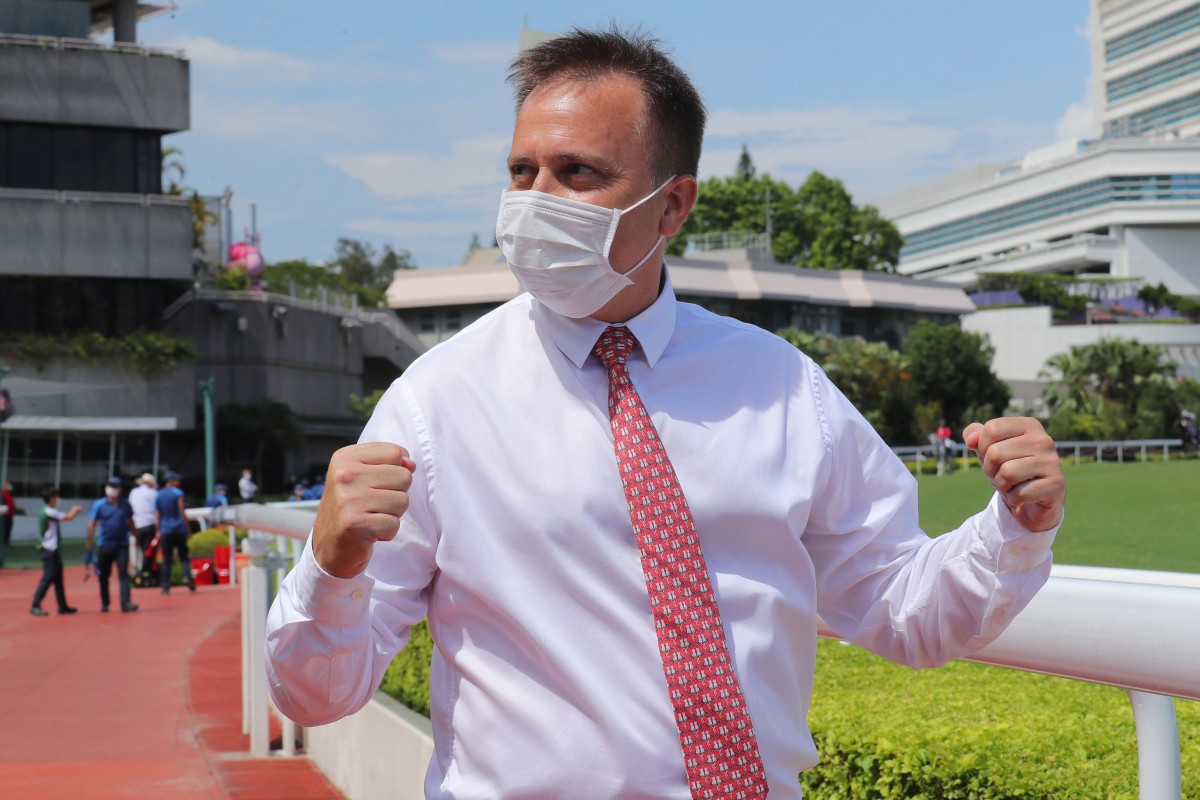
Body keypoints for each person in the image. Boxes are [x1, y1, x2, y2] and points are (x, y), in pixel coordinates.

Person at [264, 27, 1066, 798]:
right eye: (520, 171)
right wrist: (330, 566)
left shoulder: (781, 386)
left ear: (672, 204)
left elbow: (903, 610)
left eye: (577, 173)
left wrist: (1015, 527)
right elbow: (317, 695)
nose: (535, 201)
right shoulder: (436, 403)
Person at [86, 476, 139, 613]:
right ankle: (105, 602)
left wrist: (136, 536)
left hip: (121, 544)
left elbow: (130, 522)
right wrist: (89, 543)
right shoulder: (99, 504)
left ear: (120, 489)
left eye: (115, 487)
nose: (112, 489)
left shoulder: (125, 505)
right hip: (105, 545)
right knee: (104, 575)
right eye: (110, 486)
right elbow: (92, 523)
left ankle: (125, 602)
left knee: (123, 575)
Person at [29, 487, 83, 616]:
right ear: (51, 499)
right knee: (47, 578)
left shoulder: (48, 511)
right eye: (55, 497)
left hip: (52, 550)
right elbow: (68, 517)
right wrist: (74, 510)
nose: (57, 499)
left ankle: (62, 606)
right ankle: (35, 605)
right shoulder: (49, 512)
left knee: (58, 579)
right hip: (49, 550)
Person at [155, 471, 194, 595]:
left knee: (166, 559)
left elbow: (157, 515)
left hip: (166, 530)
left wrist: (158, 530)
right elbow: (181, 510)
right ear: (172, 480)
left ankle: (165, 587)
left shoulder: (158, 495)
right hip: (178, 529)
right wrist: (188, 529)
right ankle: (187, 576)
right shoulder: (177, 493)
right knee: (183, 556)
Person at [129, 473, 158, 582]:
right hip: (149, 525)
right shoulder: (154, 493)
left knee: (142, 551)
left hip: (137, 526)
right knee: (148, 551)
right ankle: (144, 574)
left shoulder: (133, 492)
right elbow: (156, 511)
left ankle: (141, 573)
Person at [0, 479, 15, 568]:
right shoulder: (3, 492)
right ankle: (4, 544)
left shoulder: (8, 493)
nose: (10, 485)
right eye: (8, 484)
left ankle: (6, 543)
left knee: (8, 529)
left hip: (9, 514)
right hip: (5, 515)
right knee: (5, 530)